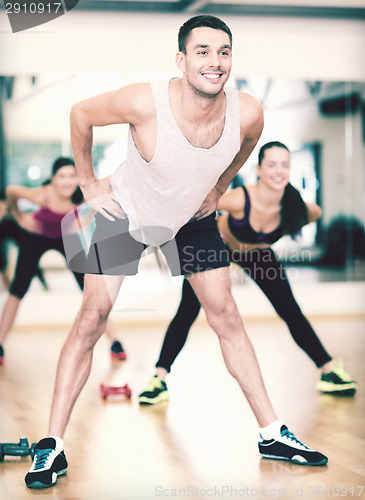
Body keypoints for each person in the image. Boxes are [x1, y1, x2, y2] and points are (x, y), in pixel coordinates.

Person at [25, 16, 328, 490]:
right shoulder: (144, 101)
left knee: (226, 315)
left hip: (191, 218)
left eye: (224, 52)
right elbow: (80, 114)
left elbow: (247, 144)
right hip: (123, 212)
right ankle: (51, 446)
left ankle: (272, 432)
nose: (215, 62)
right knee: (92, 318)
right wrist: (86, 183)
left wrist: (222, 184)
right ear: (182, 60)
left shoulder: (248, 111)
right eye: (203, 51)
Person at [138, 141, 358, 406]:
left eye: (284, 165)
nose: (278, 171)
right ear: (259, 169)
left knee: (290, 310)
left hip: (258, 253)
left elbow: (316, 212)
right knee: (187, 310)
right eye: (272, 165)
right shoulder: (242, 199)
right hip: (218, 248)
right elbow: (200, 206)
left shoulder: (294, 204)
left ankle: (328, 371)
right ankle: (158, 379)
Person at [0, 157, 126, 366]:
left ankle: (115, 343)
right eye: (62, 177)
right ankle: (1, 343)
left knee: (90, 290)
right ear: (53, 179)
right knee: (18, 289)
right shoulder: (42, 194)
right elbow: (12, 191)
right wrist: (20, 216)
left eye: (72, 176)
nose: (67, 182)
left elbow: (102, 197)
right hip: (36, 236)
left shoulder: (81, 194)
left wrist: (83, 222)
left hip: (66, 237)